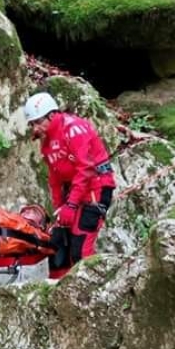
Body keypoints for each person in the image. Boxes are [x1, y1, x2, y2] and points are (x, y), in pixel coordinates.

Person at [22, 93, 116, 279]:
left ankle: (87, 287)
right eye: (32, 124)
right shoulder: (47, 140)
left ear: (51, 115)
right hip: (74, 190)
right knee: (58, 245)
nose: (35, 128)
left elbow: (86, 169)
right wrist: (60, 206)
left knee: (80, 247)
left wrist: (71, 205)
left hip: (95, 188)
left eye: (38, 122)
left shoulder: (73, 129)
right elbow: (55, 177)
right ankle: (58, 288)